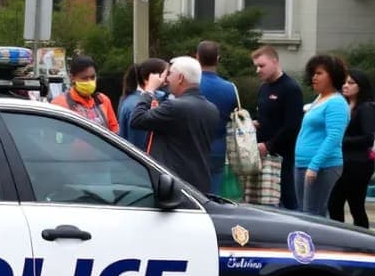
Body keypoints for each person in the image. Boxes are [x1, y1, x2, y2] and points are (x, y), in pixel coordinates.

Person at [129, 56, 219, 192]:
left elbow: (136, 119)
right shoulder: (212, 109)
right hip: (200, 182)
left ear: (180, 78)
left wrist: (148, 91)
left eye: (170, 74)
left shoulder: (174, 107)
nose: (166, 80)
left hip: (173, 184)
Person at [294, 55, 350, 218]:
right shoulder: (320, 98)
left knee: (313, 215)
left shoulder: (336, 103)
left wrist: (314, 165)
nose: (314, 77)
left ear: (332, 75)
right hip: (303, 163)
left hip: (322, 166)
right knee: (305, 213)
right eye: (313, 73)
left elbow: (334, 137)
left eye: (319, 73)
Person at [250, 46, 304, 209]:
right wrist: (254, 123)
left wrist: (269, 145)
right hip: (262, 154)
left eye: (262, 65)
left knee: (287, 198)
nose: (258, 70)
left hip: (282, 156)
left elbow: (292, 125)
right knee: (262, 199)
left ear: (275, 62)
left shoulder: (290, 88)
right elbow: (264, 117)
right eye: (256, 66)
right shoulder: (263, 88)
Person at [329, 69, 375, 227]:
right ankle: (339, 239)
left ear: (360, 86)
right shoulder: (344, 106)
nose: (345, 86)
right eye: (345, 82)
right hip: (343, 162)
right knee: (334, 203)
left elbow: (368, 138)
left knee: (356, 206)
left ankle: (363, 244)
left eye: (351, 83)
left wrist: (342, 140)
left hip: (358, 164)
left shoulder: (366, 108)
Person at [194, 41, 239, 194]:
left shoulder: (191, 84)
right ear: (218, 59)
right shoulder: (230, 88)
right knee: (213, 193)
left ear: (197, 57)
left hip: (193, 145)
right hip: (218, 147)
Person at [51, 55, 119, 132]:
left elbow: (114, 131)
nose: (89, 82)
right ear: (72, 78)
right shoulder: (60, 104)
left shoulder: (102, 100)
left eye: (92, 77)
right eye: (84, 78)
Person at [117, 58, 168, 151]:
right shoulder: (135, 104)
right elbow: (140, 143)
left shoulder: (156, 97)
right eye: (165, 76)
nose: (168, 80)